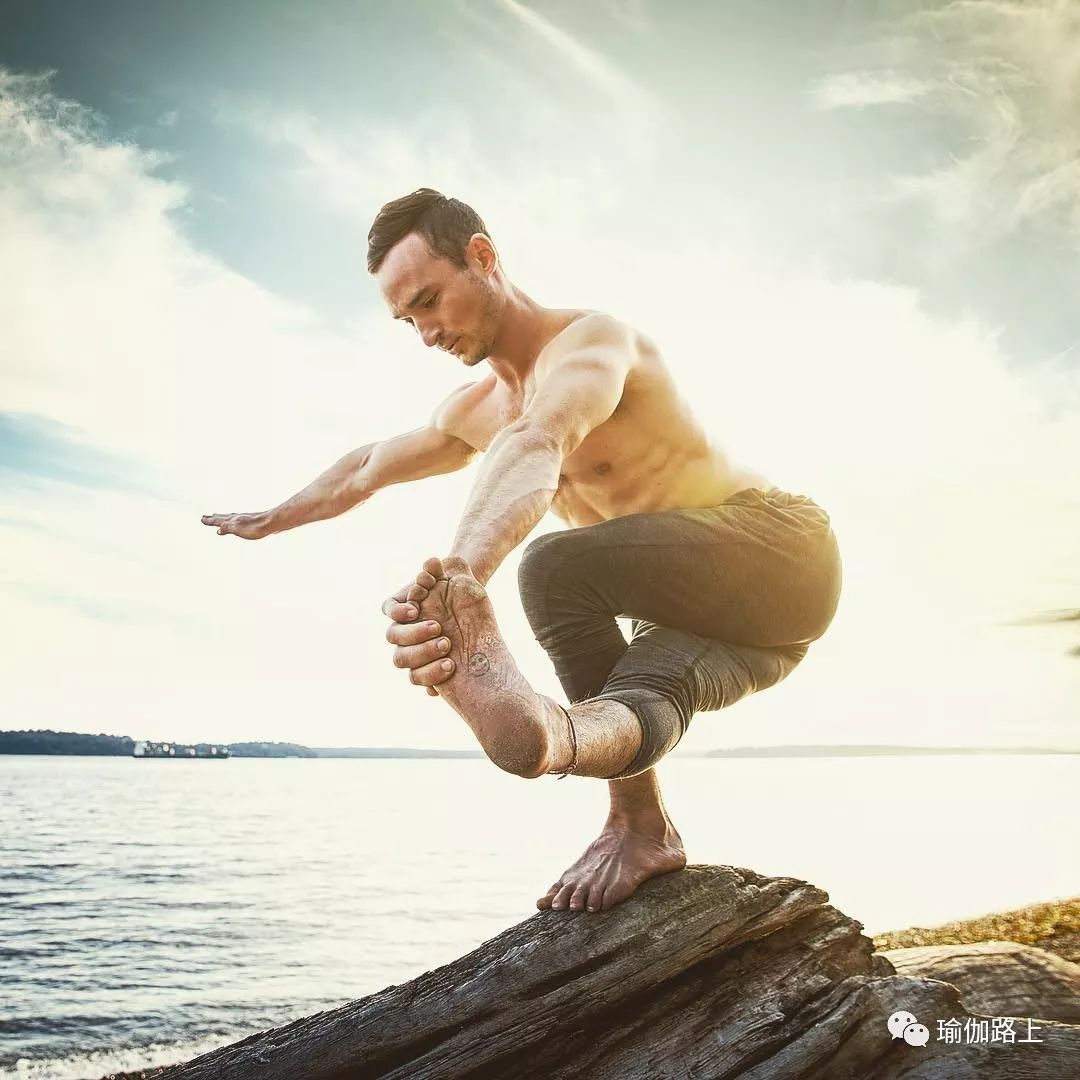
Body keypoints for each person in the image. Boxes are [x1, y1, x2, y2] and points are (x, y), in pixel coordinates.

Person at [202, 188, 843, 914]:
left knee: (555, 566)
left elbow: (542, 437)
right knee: (639, 697)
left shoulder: (594, 343)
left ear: (482, 257)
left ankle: (618, 802)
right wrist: (273, 518)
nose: (425, 333)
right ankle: (591, 777)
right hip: (739, 635)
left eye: (430, 301)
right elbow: (366, 466)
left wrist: (461, 583)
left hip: (781, 556)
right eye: (406, 319)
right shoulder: (473, 412)